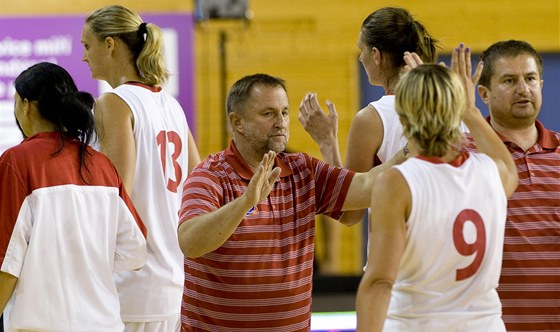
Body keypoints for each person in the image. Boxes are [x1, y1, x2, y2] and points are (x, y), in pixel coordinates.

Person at [177, 73, 408, 331]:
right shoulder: (210, 175)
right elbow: (190, 242)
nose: (281, 123)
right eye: (268, 114)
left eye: (284, 113)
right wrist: (244, 203)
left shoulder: (302, 170)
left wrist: (413, 147)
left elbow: (366, 186)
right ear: (237, 122)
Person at [355, 45, 519, 331]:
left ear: (404, 116)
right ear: (455, 111)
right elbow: (506, 162)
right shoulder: (493, 172)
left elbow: (380, 282)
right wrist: (469, 110)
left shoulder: (396, 182)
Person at [0, 62, 147, 331]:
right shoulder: (101, 164)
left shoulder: (17, 161)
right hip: (105, 324)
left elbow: (6, 260)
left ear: (26, 105)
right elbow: (135, 251)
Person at [81, 5, 201, 331]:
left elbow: (116, 195)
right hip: (175, 281)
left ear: (110, 44)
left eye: (87, 45)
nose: (84, 56)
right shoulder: (170, 104)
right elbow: (199, 181)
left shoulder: (113, 102)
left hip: (133, 285)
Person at [299, 7, 440, 228]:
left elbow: (349, 212)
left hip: (399, 256)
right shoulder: (452, 110)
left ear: (376, 55)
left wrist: (327, 142)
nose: (361, 56)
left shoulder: (372, 119)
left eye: (361, 49)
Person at [464, 40, 560, 331]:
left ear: (541, 84)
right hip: (490, 325)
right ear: (483, 93)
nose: (523, 89)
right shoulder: (463, 156)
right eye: (509, 80)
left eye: (530, 79)